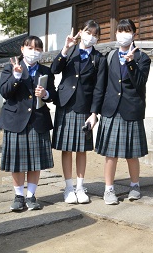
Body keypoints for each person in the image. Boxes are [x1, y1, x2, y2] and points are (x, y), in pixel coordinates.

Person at [0, 36, 56, 211]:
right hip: (16, 121)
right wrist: (15, 76)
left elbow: (53, 95)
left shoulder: (45, 71)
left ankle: (31, 196)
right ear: (22, 49)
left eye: (37, 49)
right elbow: (5, 93)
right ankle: (18, 196)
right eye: (30, 48)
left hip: (38, 120)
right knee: (17, 162)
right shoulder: (10, 68)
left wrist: (45, 94)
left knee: (35, 162)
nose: (34, 52)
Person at [95, 18, 151, 205]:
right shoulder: (108, 57)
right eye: (120, 31)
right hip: (111, 109)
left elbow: (141, 83)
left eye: (127, 31)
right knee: (111, 154)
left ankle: (135, 186)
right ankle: (109, 189)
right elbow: (100, 86)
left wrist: (131, 64)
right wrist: (94, 111)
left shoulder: (143, 57)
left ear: (134, 34)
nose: (123, 35)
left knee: (131, 154)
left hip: (131, 109)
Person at [51, 20, 106, 204]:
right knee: (66, 149)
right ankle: (68, 187)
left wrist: (94, 113)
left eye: (95, 34)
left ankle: (80, 187)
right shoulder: (70, 51)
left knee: (82, 149)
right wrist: (65, 49)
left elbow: (99, 89)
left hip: (84, 108)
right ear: (81, 32)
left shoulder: (99, 58)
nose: (91, 36)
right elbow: (54, 69)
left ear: (97, 39)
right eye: (88, 32)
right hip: (65, 104)